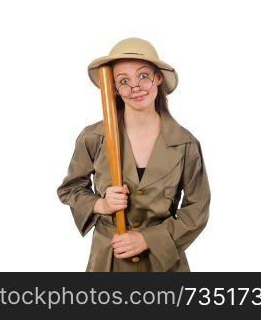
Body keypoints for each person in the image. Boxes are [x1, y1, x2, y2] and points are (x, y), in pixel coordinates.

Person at [58, 38, 210, 271]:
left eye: (143, 76)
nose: (136, 87)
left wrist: (148, 238)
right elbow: (70, 189)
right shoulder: (93, 137)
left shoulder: (185, 143)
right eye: (124, 81)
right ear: (115, 89)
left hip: (163, 263)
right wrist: (101, 204)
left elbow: (197, 209)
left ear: (158, 78)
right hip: (108, 261)